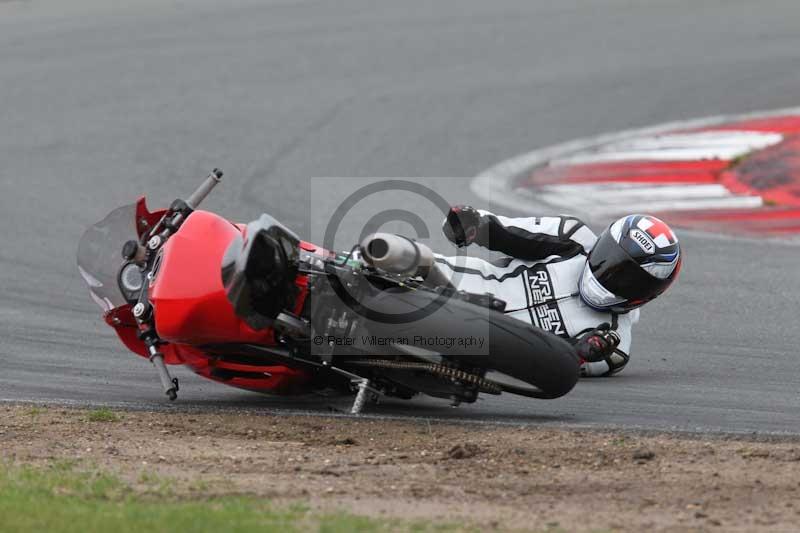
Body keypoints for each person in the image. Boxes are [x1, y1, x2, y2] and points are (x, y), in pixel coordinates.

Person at [439, 206, 682, 376]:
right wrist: (474, 225)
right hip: (460, 279)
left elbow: (559, 370)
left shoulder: (615, 343)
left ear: (646, 295)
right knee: (407, 257)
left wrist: (580, 352)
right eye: (609, 259)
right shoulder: (573, 236)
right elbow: (510, 233)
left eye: (627, 279)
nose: (609, 274)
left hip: (484, 347)